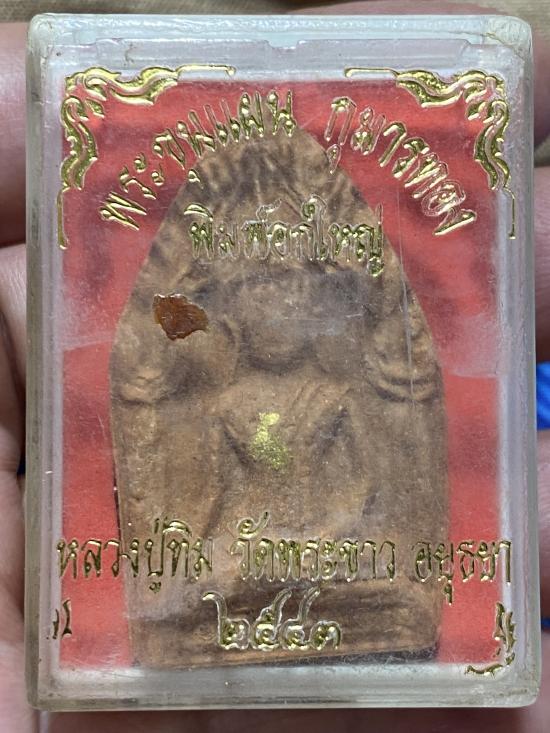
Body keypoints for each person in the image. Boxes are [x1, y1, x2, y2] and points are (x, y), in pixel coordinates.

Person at [0, 2, 549, 731]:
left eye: (294, 293)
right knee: (206, 586)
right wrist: (215, 556)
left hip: (336, 556)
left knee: (372, 579)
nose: (278, 311)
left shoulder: (336, 397)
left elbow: (365, 494)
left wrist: (330, 542)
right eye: (257, 294)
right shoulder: (223, 405)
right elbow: (202, 508)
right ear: (228, 310)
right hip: (239, 558)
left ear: (325, 299)